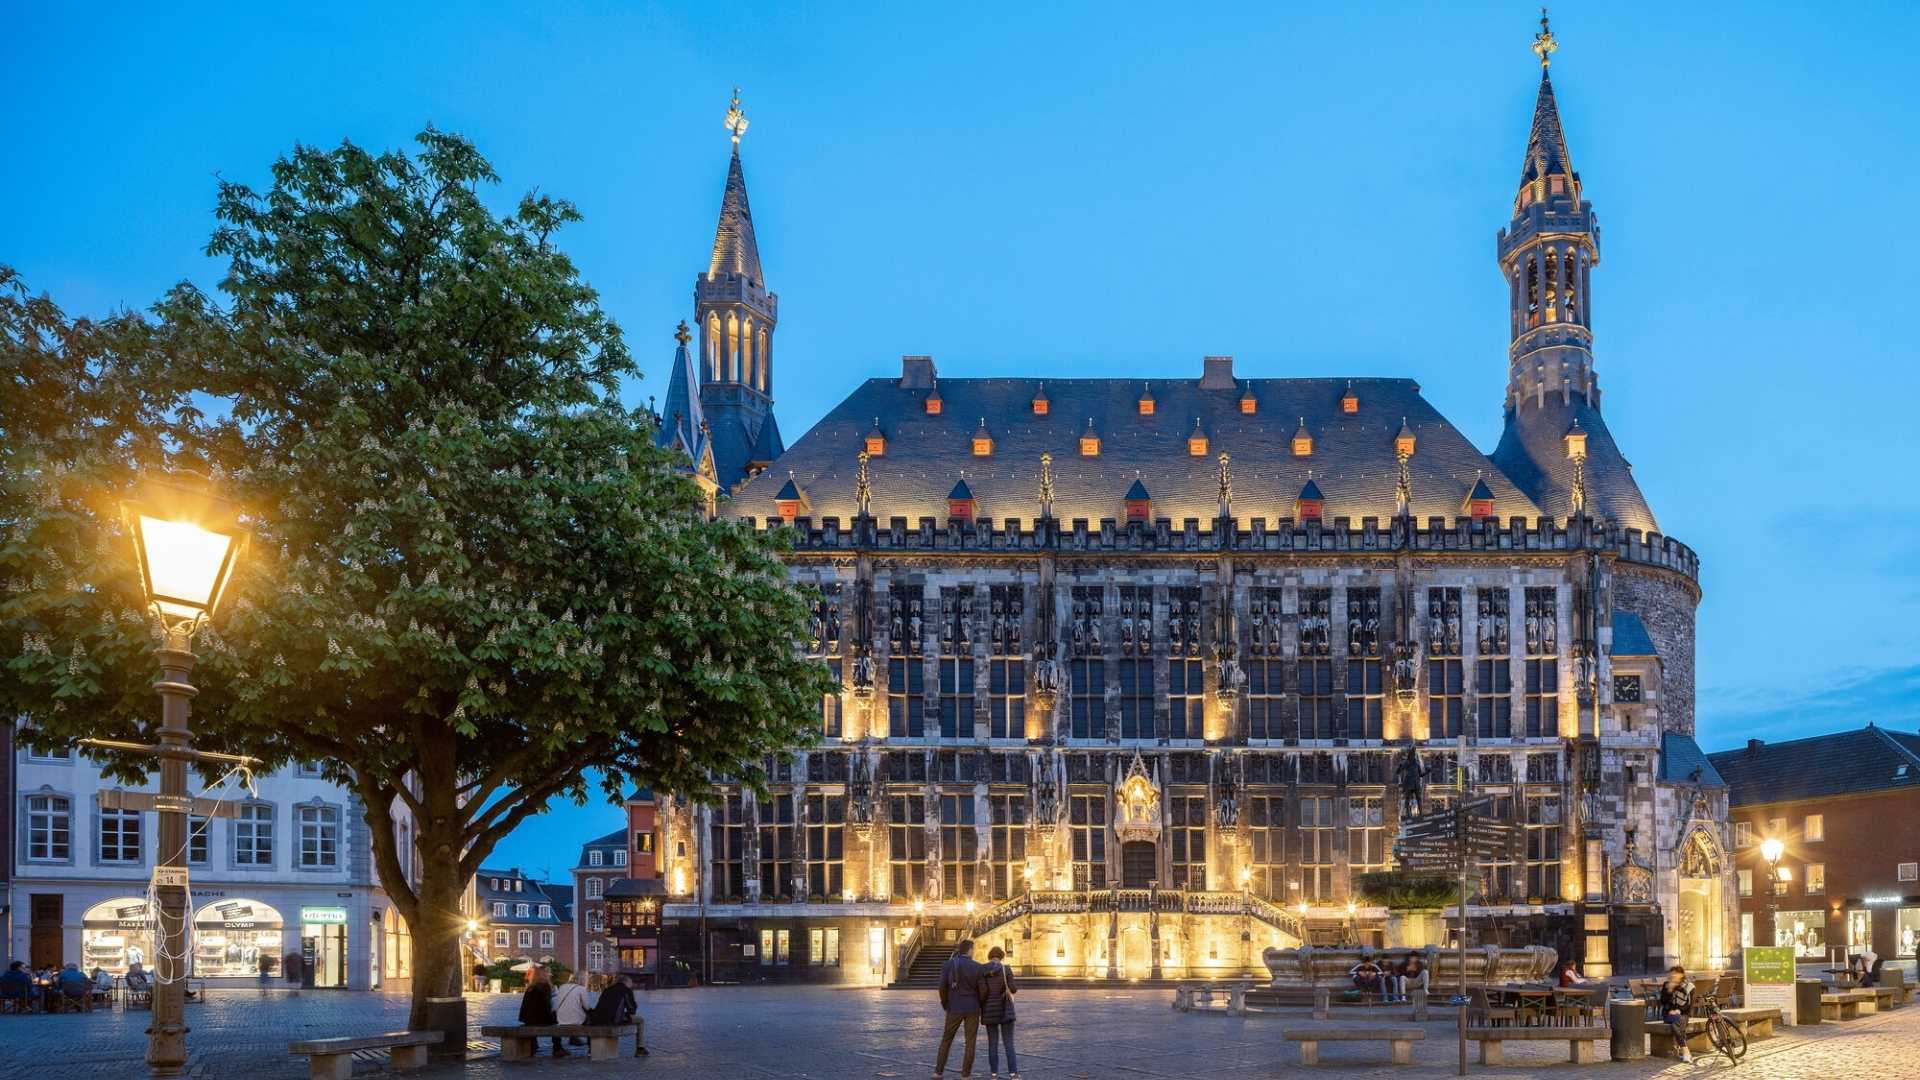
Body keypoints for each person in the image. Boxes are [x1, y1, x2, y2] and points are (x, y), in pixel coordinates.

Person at [934, 938, 985, 1080]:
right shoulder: (977, 967)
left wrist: (945, 1003)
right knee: (970, 1041)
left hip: (954, 1007)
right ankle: (965, 1075)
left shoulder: (948, 965)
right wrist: (980, 1003)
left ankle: (938, 1072)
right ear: (970, 950)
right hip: (972, 1008)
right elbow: (983, 990)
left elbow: (942, 987)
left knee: (946, 1039)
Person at [978, 947, 1019, 1080]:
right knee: (1009, 1043)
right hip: (1005, 1009)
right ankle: (1013, 1074)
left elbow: (982, 992)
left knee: (992, 1043)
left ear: (989, 956)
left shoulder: (982, 969)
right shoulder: (1005, 969)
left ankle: (994, 1074)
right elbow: (1013, 989)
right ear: (1002, 957)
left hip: (989, 1010)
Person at [587, 973, 648, 1056]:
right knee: (641, 1020)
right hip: (613, 1019)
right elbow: (632, 1010)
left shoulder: (607, 989)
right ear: (627, 983)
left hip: (597, 1019)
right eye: (631, 984)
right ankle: (640, 1048)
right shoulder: (626, 990)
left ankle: (591, 1049)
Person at [518, 964, 568, 1057]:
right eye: (548, 973)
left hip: (526, 1018)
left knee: (536, 1024)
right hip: (538, 1018)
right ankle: (557, 1048)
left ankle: (533, 1045)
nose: (550, 975)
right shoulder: (545, 986)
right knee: (556, 1022)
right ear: (545, 975)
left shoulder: (530, 987)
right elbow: (546, 1005)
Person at [1657, 965, 1695, 1064]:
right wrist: (1669, 991)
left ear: (1681, 975)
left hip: (1683, 1014)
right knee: (1677, 1022)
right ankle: (1686, 1051)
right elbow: (1663, 1002)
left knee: (1675, 1025)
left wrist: (1679, 1010)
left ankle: (1684, 1050)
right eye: (1672, 974)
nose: (1673, 976)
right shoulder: (1666, 985)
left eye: (1676, 974)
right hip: (1668, 1014)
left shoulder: (1689, 987)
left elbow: (1689, 1006)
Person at [553, 972, 591, 1047]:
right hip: (576, 1021)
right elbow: (587, 1007)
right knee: (591, 1021)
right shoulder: (582, 989)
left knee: (573, 1012)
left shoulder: (562, 987)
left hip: (561, 1019)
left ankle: (557, 1048)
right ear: (582, 980)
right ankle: (591, 1048)